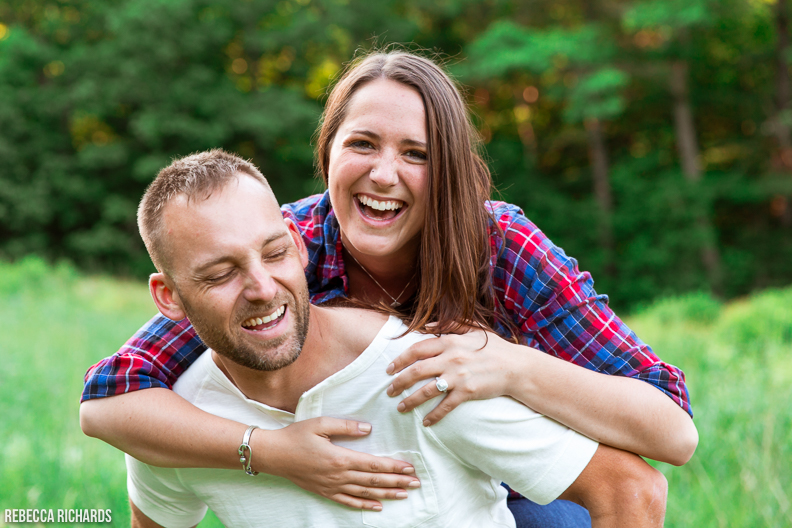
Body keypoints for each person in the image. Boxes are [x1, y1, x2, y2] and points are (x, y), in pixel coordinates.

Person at [80, 50, 697, 527]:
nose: (383, 173)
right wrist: (269, 451)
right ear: (328, 154)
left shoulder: (500, 247)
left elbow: (672, 432)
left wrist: (509, 366)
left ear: (449, 168)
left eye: (417, 153)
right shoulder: (281, 248)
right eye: (362, 144)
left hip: (524, 481)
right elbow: (112, 397)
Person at [124, 148, 666, 528]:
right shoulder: (173, 426)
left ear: (296, 242)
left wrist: (516, 367)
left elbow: (633, 488)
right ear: (169, 297)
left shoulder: (420, 372)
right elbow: (111, 410)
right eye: (219, 275)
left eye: (272, 254)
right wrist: (264, 451)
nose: (262, 289)